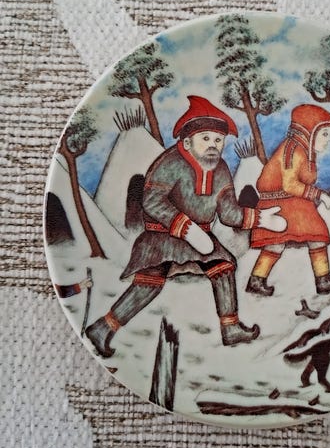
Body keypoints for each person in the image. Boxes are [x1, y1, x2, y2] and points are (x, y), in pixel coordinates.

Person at [86, 96, 286, 357]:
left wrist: (259, 219)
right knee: (148, 284)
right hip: (162, 236)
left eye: (218, 140)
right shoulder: (170, 162)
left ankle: (230, 328)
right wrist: (186, 228)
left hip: (201, 235)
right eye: (206, 138)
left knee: (223, 267)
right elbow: (152, 200)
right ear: (188, 141)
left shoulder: (221, 169)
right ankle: (104, 327)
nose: (213, 145)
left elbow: (228, 213)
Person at [246, 104, 330, 297]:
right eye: (324, 134)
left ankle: (322, 279)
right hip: (278, 202)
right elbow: (289, 184)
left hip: (294, 201)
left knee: (315, 235)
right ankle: (257, 280)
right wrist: (318, 194)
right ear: (309, 131)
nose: (329, 139)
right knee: (279, 241)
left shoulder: (304, 150)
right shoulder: (293, 150)